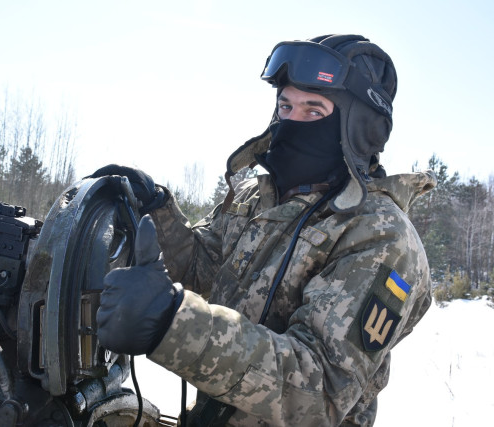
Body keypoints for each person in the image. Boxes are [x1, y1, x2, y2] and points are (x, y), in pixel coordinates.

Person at [93, 34, 437, 426]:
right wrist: (157, 210)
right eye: (285, 106)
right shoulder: (256, 196)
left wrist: (171, 323)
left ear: (360, 129)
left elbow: (321, 389)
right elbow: (202, 269)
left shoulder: (382, 235)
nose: (291, 121)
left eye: (313, 110)